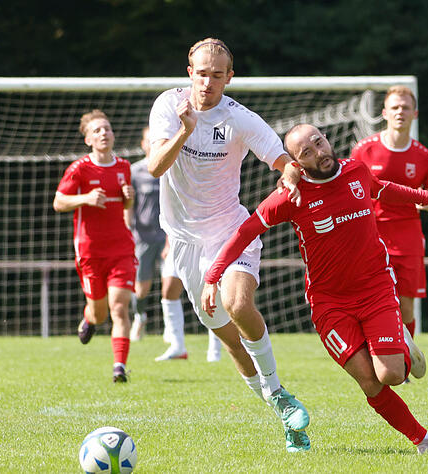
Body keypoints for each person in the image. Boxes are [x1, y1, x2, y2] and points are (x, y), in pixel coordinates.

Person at [202, 124, 428, 454]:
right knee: (368, 381)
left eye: (320, 142)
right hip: (330, 304)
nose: (319, 152)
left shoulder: (356, 170)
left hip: (375, 291)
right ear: (296, 164)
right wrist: (214, 276)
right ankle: (423, 441)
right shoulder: (289, 197)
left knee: (391, 376)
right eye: (307, 152)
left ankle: (399, 342)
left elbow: (382, 189)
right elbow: (245, 233)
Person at [147, 37, 310, 452]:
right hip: (184, 241)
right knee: (228, 338)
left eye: (217, 75)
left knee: (239, 306)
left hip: (230, 231)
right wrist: (186, 130)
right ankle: (281, 410)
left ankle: (280, 394)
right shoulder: (169, 106)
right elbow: (154, 167)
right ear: (189, 73)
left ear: (229, 77)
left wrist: (289, 176)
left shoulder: (239, 118)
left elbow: (283, 161)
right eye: (201, 74)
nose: (208, 82)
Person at [351, 85, 428, 363]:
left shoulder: (424, 157)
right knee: (372, 303)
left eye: (405, 107)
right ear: (384, 113)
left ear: (414, 114)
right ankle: (373, 357)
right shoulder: (364, 150)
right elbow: (348, 191)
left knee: (406, 307)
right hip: (370, 239)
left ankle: (404, 361)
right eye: (394, 107)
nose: (400, 112)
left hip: (407, 239)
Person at [126, 126, 222, 362]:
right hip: (157, 238)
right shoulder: (137, 171)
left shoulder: (180, 167)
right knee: (166, 289)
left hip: (189, 237)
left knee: (204, 292)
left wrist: (171, 237)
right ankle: (177, 346)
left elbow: (184, 205)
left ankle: (216, 349)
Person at [53, 109, 136, 383]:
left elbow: (125, 207)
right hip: (90, 251)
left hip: (121, 248)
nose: (104, 133)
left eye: (107, 129)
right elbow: (59, 202)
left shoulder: (124, 166)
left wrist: (128, 199)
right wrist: (85, 198)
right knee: (100, 314)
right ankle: (89, 319)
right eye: (97, 130)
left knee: (119, 307)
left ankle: (119, 367)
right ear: (88, 139)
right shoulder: (79, 169)